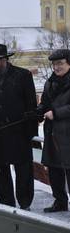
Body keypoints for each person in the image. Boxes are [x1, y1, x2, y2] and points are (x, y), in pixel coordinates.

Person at [0, 44, 38, 209]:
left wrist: (30, 132)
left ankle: (25, 203)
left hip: (19, 131)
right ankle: (6, 203)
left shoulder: (22, 76)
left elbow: (32, 105)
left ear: (4, 60)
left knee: (23, 170)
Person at [37, 49, 70, 213]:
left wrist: (56, 113)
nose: (56, 67)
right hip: (53, 133)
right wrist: (39, 111)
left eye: (60, 63)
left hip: (68, 134)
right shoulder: (50, 82)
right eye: (54, 64)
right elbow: (45, 103)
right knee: (55, 169)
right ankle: (60, 201)